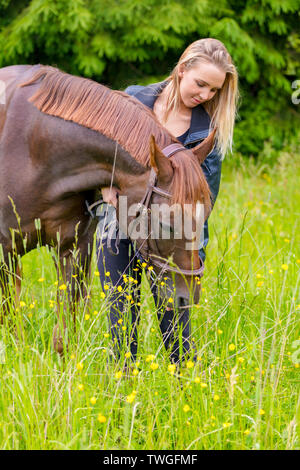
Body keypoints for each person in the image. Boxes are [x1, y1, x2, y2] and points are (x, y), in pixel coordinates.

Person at [96, 38, 239, 364]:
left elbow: (205, 202)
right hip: (119, 226)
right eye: (201, 84)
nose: (205, 95)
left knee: (177, 337)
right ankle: (121, 404)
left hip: (170, 236)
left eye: (214, 91)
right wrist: (107, 192)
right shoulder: (134, 100)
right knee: (120, 330)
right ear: (182, 69)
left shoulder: (206, 133)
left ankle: (185, 399)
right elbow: (104, 155)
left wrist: (188, 253)